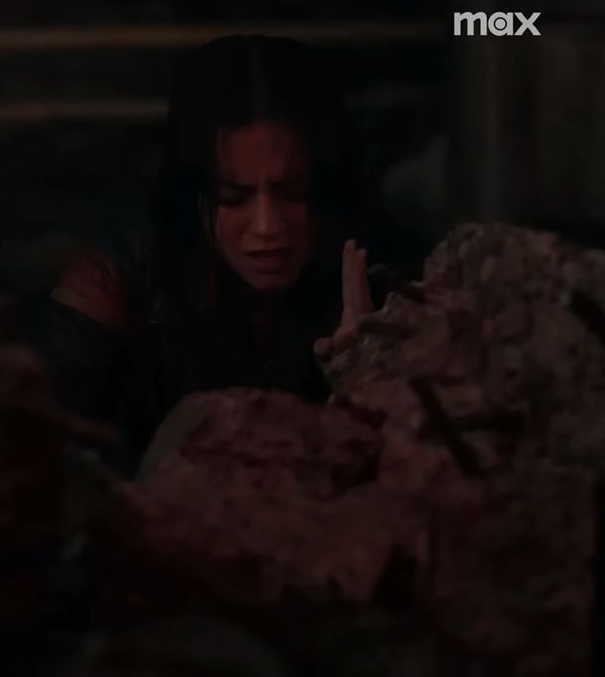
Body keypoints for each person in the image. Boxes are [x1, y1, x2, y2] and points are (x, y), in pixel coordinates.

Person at [33, 35, 377, 471]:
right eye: (233, 197)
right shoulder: (120, 276)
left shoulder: (378, 271)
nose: (267, 226)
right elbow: (44, 440)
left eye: (291, 192)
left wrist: (372, 378)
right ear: (194, 193)